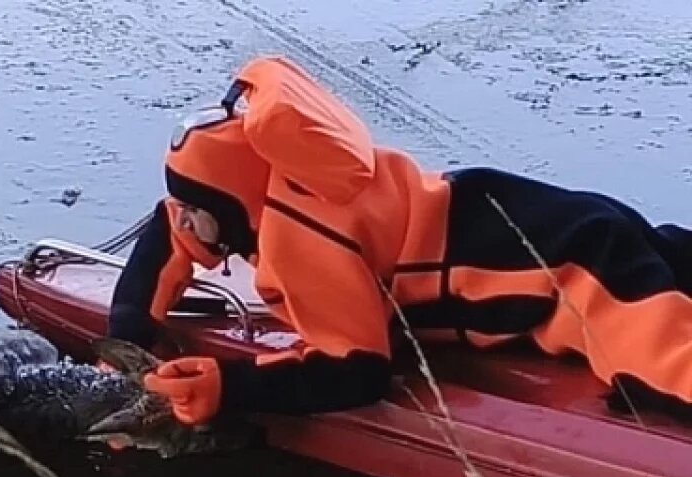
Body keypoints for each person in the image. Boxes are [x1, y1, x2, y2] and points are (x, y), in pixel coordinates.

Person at [107, 55, 692, 427]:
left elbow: (355, 370)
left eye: (196, 215)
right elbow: (171, 229)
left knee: (662, 372)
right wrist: (127, 337)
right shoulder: (281, 166)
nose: (184, 226)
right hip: (528, 209)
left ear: (235, 207)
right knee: (663, 253)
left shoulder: (302, 236)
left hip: (571, 269)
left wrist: (229, 386)